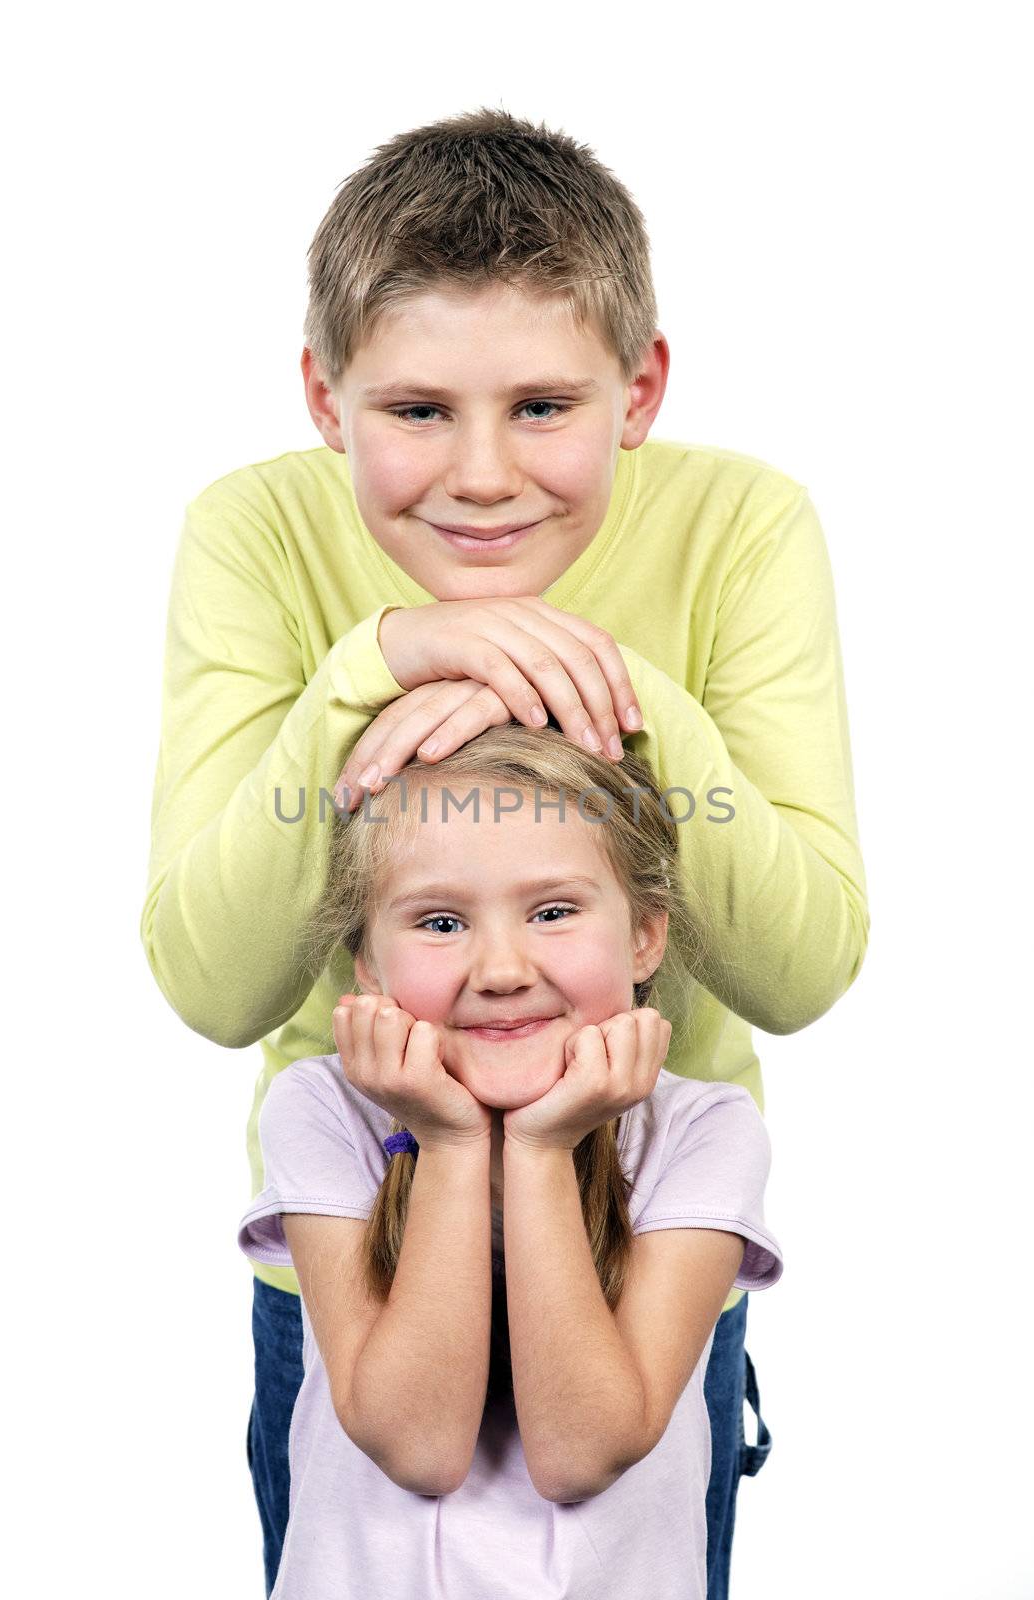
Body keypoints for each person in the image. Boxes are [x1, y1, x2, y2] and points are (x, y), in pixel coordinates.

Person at [140, 107, 867, 1596]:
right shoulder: (254, 533)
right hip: (354, 1232)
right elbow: (214, 985)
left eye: (543, 406)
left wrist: (604, 684)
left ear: (638, 387)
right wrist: (372, 666)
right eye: (413, 412)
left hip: (644, 1243)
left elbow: (796, 968)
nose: (480, 476)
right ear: (322, 394)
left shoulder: (739, 526)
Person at [238, 724, 784, 1600]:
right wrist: (451, 1140)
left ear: (645, 935)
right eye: (441, 921)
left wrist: (537, 1145)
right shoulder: (320, 1108)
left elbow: (580, 1453)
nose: (499, 969)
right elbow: (418, 1447)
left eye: (553, 911)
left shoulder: (704, 1132)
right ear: (367, 966)